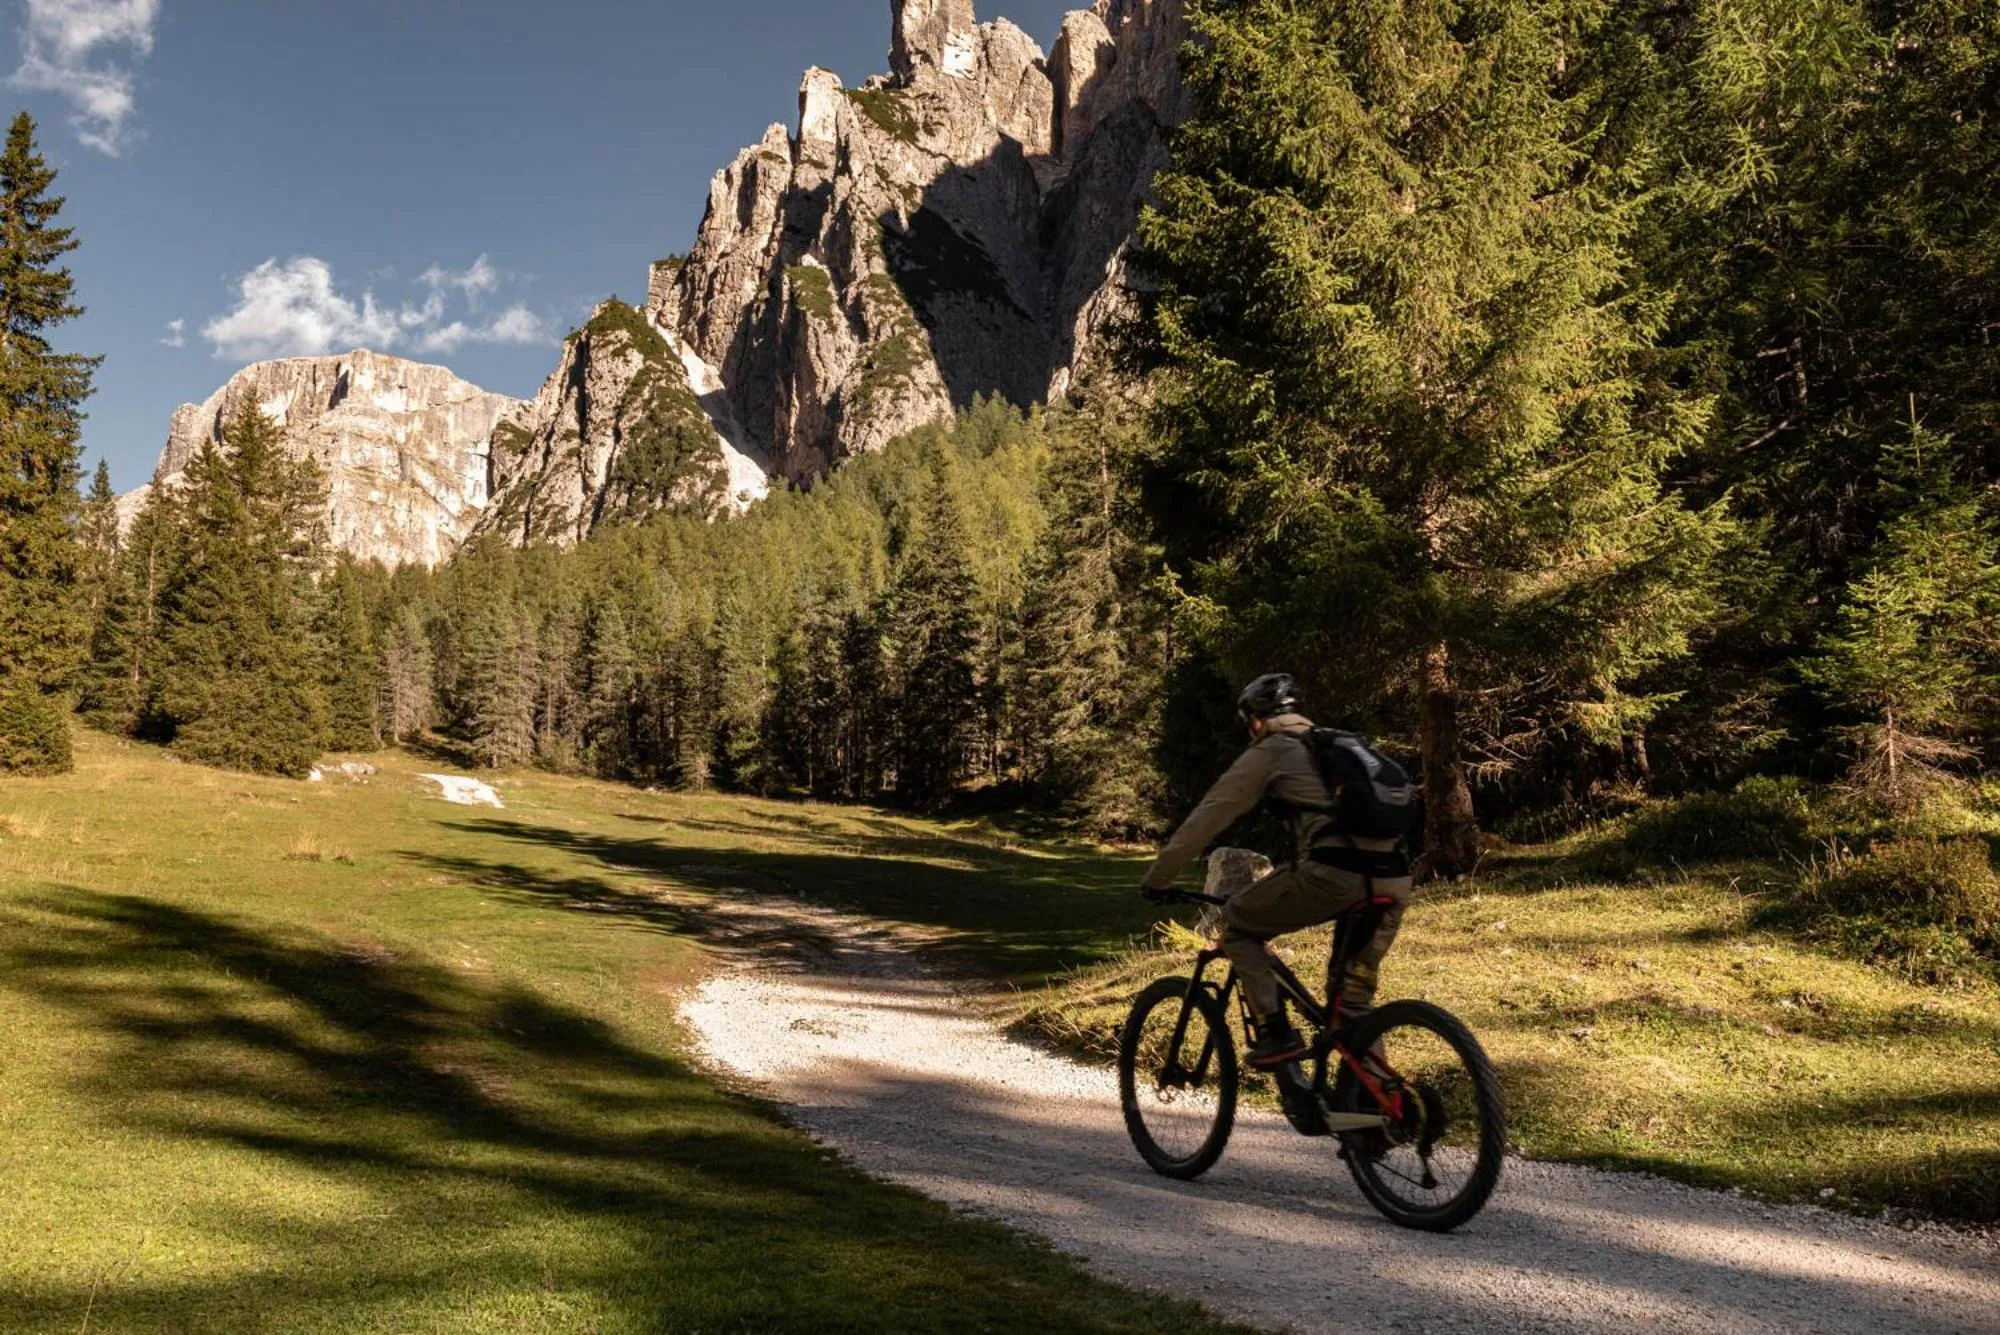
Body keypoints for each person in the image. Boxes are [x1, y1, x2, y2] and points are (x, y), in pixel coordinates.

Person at [1141, 674, 1415, 1067]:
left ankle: (1275, 1032)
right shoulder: (1338, 745)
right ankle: (1378, 1115)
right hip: (1393, 879)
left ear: (1254, 719)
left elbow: (1207, 818)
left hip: (1332, 876)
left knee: (1237, 926)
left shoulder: (1272, 749)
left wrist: (1157, 879)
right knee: (1350, 1003)